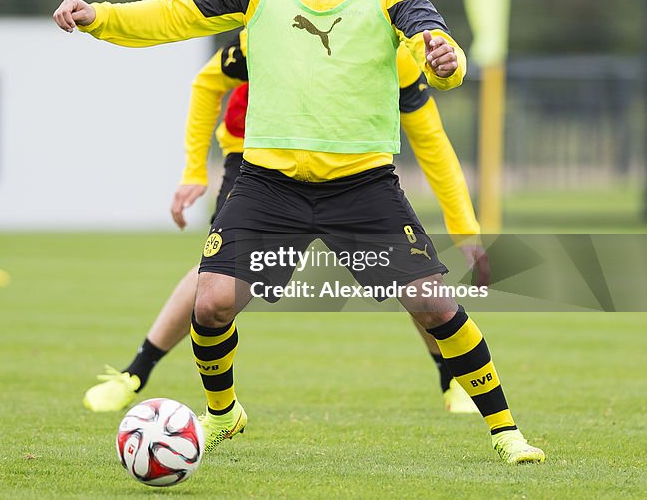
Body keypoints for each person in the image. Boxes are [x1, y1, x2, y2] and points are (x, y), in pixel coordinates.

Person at [54, 0, 544, 465]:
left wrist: (449, 60)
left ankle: (507, 433)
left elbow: (431, 34)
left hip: (362, 186)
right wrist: (100, 17)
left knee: (432, 302)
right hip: (268, 185)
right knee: (211, 301)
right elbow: (177, 13)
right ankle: (224, 414)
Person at [82, 37, 489, 415]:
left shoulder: (394, 54)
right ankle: (137, 372)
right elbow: (208, 82)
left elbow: (433, 145)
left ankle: (450, 378)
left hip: (348, 169)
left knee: (411, 273)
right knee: (214, 278)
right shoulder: (274, 25)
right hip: (259, 159)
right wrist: (193, 170)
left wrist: (465, 231)